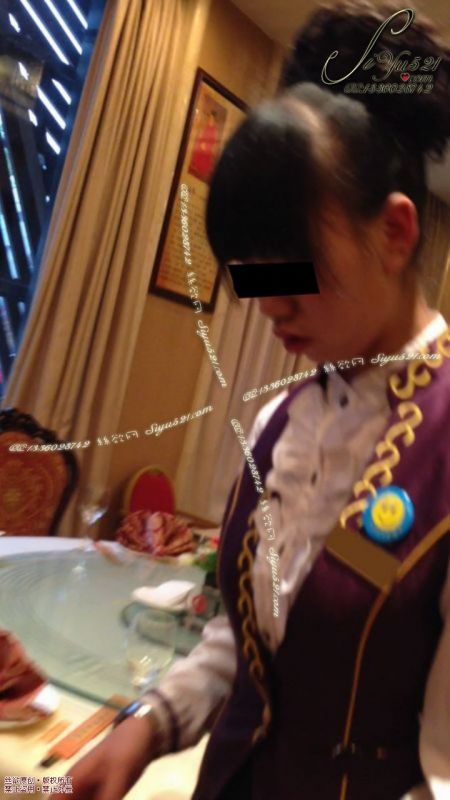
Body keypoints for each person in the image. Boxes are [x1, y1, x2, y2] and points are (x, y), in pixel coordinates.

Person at [62, 2, 450, 798]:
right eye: (253, 275)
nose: (270, 306)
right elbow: (244, 644)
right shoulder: (281, 424)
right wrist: (145, 727)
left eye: (292, 267)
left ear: (395, 234)